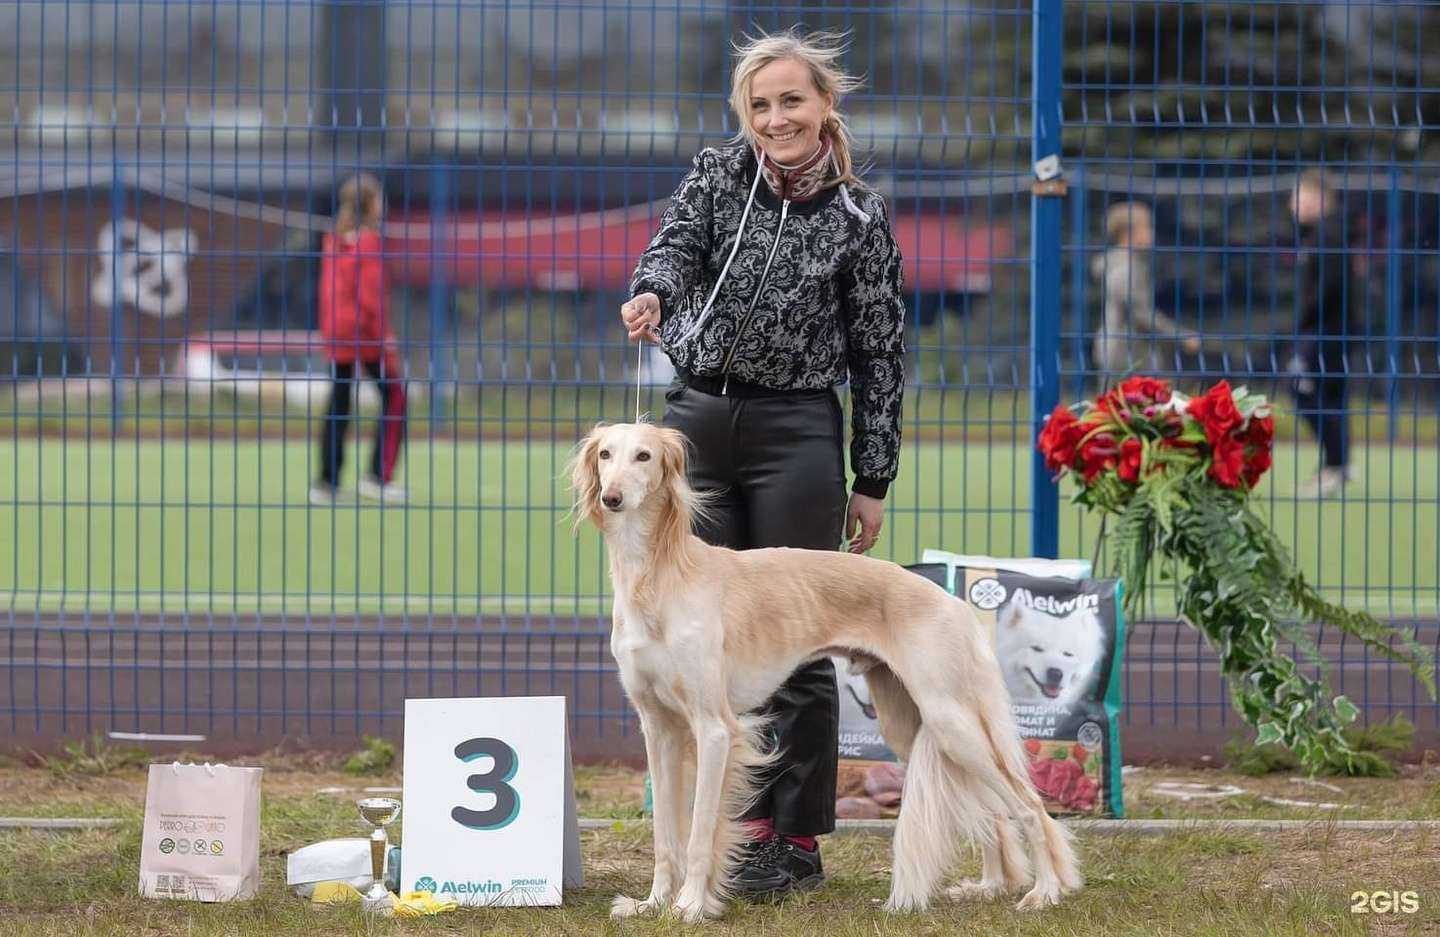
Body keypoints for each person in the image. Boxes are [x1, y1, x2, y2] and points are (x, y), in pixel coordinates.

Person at [620, 28, 906, 900]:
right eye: (760, 105)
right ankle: (721, 835)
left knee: (800, 642)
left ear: (825, 105)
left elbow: (879, 352)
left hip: (798, 432)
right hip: (697, 424)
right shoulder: (717, 177)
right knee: (693, 630)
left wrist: (872, 476)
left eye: (791, 101)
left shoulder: (860, 217)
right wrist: (654, 290)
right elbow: (674, 248)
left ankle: (794, 838)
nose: (776, 118)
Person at [311, 173, 408, 505]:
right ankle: (378, 476)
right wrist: (385, 338)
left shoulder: (334, 241)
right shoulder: (368, 242)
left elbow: (329, 292)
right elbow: (371, 298)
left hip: (337, 333)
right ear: (370, 204)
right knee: (395, 396)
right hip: (365, 335)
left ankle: (327, 481)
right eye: (379, 198)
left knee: (338, 402)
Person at [1288, 169, 1357, 497]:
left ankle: (1336, 464)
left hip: (1327, 330)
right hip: (1327, 329)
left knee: (1303, 389)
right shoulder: (1320, 234)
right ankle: (1338, 464)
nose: (1293, 203)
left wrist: (1305, 321)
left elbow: (1329, 288)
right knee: (1329, 397)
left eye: (1299, 196)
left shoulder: (1329, 236)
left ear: (1319, 198)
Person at [1091, 201, 1202, 379]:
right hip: (1127, 353)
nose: (1152, 233)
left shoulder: (1118, 264)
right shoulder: (1127, 268)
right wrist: (1181, 336)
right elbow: (1140, 313)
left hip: (1120, 348)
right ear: (1129, 232)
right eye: (1147, 227)